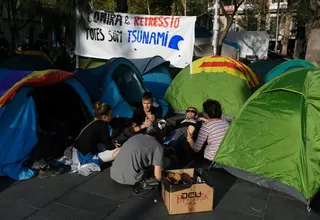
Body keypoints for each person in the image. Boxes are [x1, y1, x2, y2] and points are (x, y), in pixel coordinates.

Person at [110, 120, 169, 185]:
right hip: (131, 179)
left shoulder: (135, 137)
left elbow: (114, 155)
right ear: (164, 138)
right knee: (166, 161)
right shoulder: (158, 147)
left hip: (114, 173)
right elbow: (158, 177)